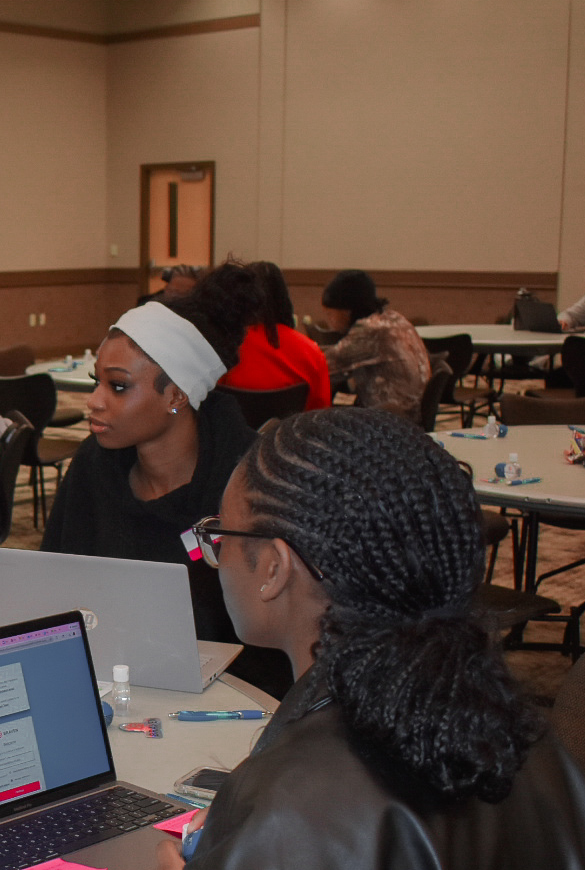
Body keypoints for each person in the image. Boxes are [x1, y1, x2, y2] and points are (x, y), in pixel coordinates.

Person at [51, 408, 585, 870]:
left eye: (218, 539)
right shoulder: (522, 727)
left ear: (274, 567)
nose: (212, 558)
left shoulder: (289, 814)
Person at [40, 262, 291, 698]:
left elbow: (280, 638)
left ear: (176, 395)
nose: (94, 403)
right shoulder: (95, 466)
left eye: (117, 387)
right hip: (112, 681)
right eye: (95, 382)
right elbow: (51, 586)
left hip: (238, 698)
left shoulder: (250, 481)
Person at [318, 268, 430, 424]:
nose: (329, 320)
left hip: (390, 421)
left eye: (330, 314)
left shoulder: (371, 331)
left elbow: (324, 365)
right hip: (411, 412)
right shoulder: (393, 318)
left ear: (347, 311)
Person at [217, 261, 332, 410]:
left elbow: (206, 404)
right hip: (291, 432)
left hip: (232, 431)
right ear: (284, 298)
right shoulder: (311, 352)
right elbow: (320, 411)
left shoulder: (224, 347)